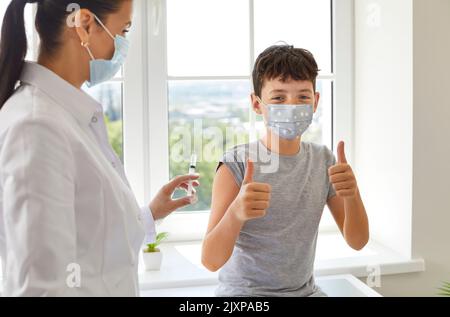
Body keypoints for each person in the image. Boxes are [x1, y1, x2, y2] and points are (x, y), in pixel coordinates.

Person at [0, 0, 199, 296]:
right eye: (124, 29)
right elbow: (41, 287)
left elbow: (88, 241)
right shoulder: (37, 127)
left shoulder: (66, 115)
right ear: (84, 25)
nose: (124, 45)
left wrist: (148, 214)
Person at [201, 45, 369, 297]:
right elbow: (210, 261)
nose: (292, 106)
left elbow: (357, 241)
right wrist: (236, 213)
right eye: (279, 98)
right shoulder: (235, 164)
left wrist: (352, 193)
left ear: (316, 101)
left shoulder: (324, 160)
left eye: (303, 97)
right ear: (257, 104)